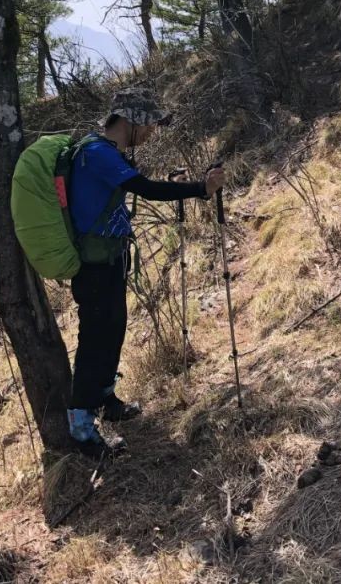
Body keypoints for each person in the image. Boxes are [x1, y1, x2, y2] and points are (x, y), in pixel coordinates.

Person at [66, 87, 225, 456]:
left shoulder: (106, 152)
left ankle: (107, 400)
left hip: (110, 258)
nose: (153, 131)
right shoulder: (96, 154)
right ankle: (81, 427)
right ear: (130, 120)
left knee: (114, 328)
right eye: (150, 123)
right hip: (94, 266)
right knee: (94, 339)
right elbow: (146, 189)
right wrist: (201, 188)